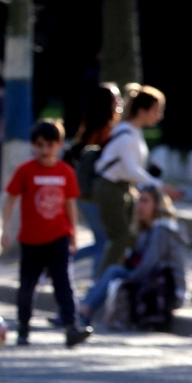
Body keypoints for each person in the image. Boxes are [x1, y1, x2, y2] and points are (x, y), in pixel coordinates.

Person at [0, 119, 93, 348]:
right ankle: (23, 328)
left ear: (59, 145)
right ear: (33, 145)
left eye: (50, 145)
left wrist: (73, 234)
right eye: (40, 145)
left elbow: (70, 204)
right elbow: (10, 199)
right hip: (31, 239)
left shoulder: (65, 172)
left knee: (64, 284)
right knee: (27, 286)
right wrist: (5, 230)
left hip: (58, 237)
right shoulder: (26, 170)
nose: (45, 150)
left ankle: (72, 328)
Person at [92, 85, 183, 274]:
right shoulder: (127, 134)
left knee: (131, 237)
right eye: (156, 111)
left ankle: (121, 277)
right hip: (111, 188)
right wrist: (161, 187)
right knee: (121, 238)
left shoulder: (132, 132)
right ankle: (100, 285)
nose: (159, 116)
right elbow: (131, 170)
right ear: (142, 111)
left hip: (122, 188)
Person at [77, 184, 189, 328]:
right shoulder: (145, 229)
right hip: (152, 281)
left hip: (169, 289)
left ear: (157, 204)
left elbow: (148, 265)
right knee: (114, 271)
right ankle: (83, 310)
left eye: (145, 201)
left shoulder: (163, 230)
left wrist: (126, 279)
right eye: (138, 201)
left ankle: (84, 310)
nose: (139, 206)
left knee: (114, 272)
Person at [66, 83, 124, 281]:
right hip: (94, 194)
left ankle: (57, 262)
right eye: (116, 98)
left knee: (102, 240)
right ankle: (94, 289)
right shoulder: (107, 132)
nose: (120, 102)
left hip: (83, 194)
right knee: (104, 242)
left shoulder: (89, 127)